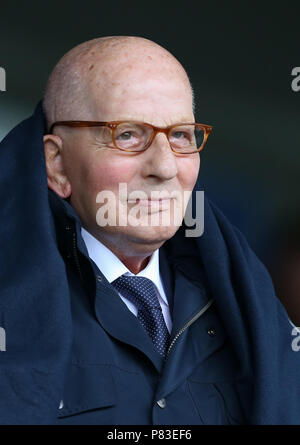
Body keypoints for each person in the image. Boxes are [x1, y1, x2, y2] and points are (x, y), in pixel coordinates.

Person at [1, 36, 300, 425]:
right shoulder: (13, 309)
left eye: (180, 136)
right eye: (127, 135)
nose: (165, 167)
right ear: (56, 165)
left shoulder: (242, 309)